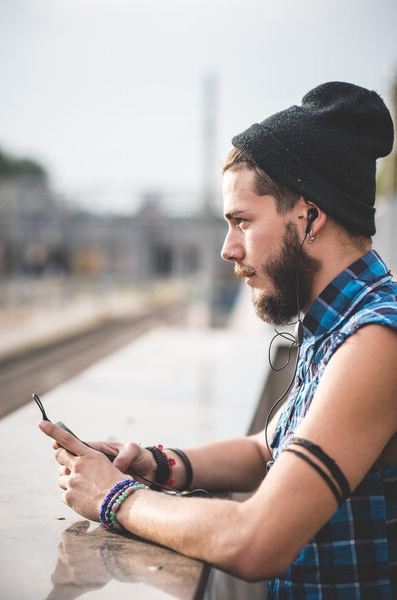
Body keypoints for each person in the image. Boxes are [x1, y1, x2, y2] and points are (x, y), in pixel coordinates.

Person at [40, 81, 397, 599]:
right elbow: (267, 449)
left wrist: (114, 496)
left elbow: (259, 541)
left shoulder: (375, 341)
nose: (227, 249)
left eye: (241, 222)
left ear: (309, 215)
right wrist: (159, 464)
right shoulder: (339, 322)